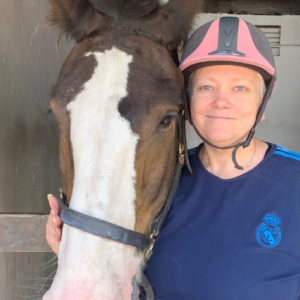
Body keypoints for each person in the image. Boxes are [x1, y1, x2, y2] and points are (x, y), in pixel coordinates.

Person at [46, 17, 300, 300]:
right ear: (186, 99)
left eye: (240, 88)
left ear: (263, 101)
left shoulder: (294, 182)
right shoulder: (164, 181)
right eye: (206, 87)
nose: (221, 101)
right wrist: (74, 244)